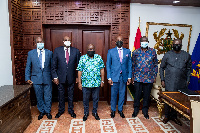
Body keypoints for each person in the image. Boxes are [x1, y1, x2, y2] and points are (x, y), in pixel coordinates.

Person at [160, 38, 192, 126]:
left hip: (181, 83)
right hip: (169, 82)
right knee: (168, 99)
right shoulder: (167, 55)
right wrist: (162, 79)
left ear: (181, 45)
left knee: (178, 101)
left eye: (178, 44)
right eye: (175, 44)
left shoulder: (186, 55)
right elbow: (161, 68)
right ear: (172, 45)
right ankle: (166, 116)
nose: (176, 46)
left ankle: (174, 116)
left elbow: (189, 69)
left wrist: (188, 80)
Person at [51, 36, 80, 118]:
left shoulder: (76, 51)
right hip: (60, 78)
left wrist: (78, 77)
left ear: (71, 41)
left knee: (71, 95)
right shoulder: (57, 50)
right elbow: (53, 66)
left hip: (71, 77)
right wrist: (55, 77)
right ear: (63, 41)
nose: (67, 41)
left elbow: (78, 66)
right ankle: (61, 110)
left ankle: (71, 110)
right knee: (61, 95)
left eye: (69, 40)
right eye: (66, 40)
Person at [25, 37, 53, 120]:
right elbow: (28, 66)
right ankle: (42, 111)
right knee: (39, 96)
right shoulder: (31, 53)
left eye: (41, 42)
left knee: (48, 96)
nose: (40, 43)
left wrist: (54, 77)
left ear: (43, 42)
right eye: (38, 42)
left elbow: (52, 66)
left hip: (47, 78)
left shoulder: (49, 53)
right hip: (36, 79)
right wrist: (27, 78)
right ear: (35, 43)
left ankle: (48, 111)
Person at [132, 36, 158, 119]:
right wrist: (132, 76)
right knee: (137, 95)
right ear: (140, 43)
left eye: (145, 41)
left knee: (147, 95)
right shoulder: (135, 52)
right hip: (137, 77)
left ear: (148, 42)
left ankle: (145, 110)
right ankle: (136, 109)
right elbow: (132, 65)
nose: (144, 42)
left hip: (149, 77)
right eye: (142, 41)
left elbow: (155, 65)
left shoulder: (152, 51)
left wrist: (154, 75)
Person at [77, 44, 105, 121]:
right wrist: (79, 82)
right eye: (89, 49)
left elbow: (102, 69)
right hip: (85, 84)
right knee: (85, 99)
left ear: (94, 50)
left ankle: (95, 112)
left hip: (96, 83)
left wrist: (102, 80)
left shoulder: (98, 58)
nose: (90, 51)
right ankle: (86, 113)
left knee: (96, 98)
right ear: (87, 50)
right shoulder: (82, 58)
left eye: (92, 49)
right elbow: (80, 71)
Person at [106, 36, 132, 118]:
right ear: (115, 42)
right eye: (118, 40)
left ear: (123, 42)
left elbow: (129, 65)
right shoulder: (111, 52)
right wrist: (109, 78)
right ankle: (113, 110)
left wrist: (129, 77)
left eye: (121, 40)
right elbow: (108, 65)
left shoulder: (127, 51)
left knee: (122, 94)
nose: (119, 41)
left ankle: (120, 110)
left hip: (123, 77)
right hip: (114, 76)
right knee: (113, 94)